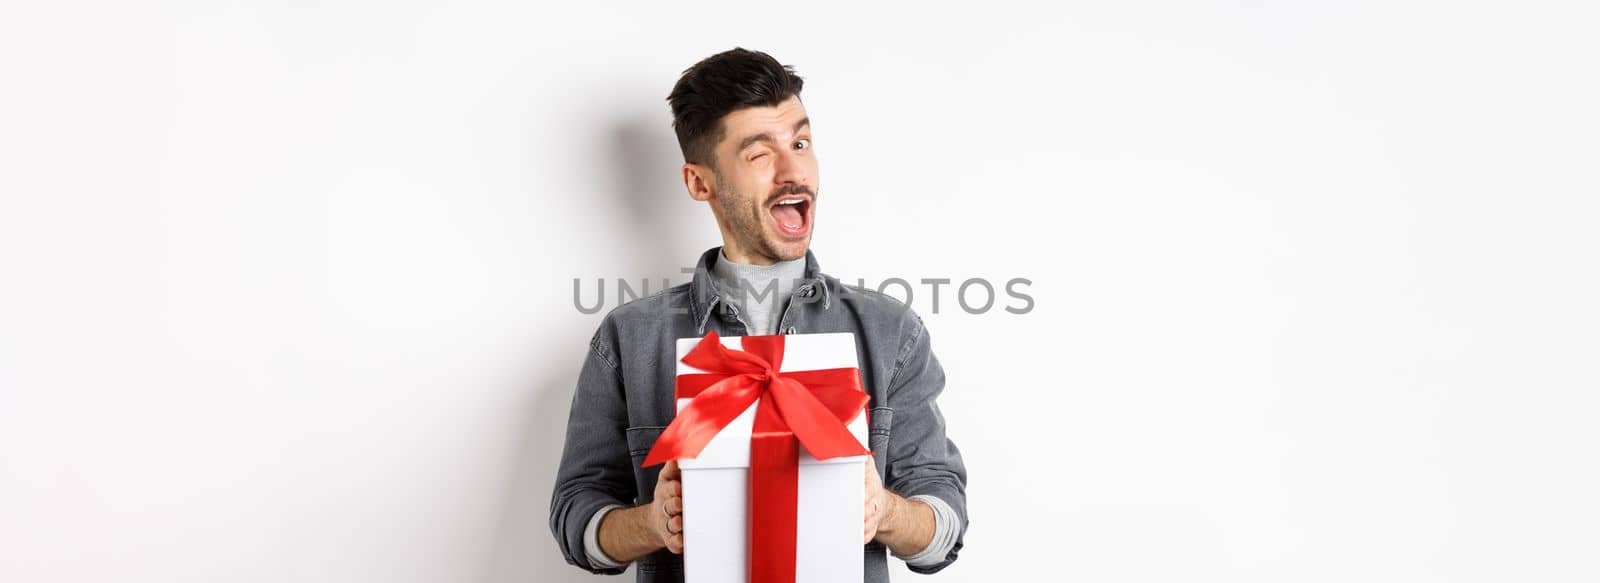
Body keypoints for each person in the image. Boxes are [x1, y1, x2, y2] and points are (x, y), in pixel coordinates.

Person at [549, 47, 968, 582]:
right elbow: (574, 520)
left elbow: (944, 530)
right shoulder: (628, 339)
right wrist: (653, 523)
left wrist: (884, 511)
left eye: (800, 142)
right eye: (759, 153)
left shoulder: (891, 333)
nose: (795, 171)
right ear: (701, 183)